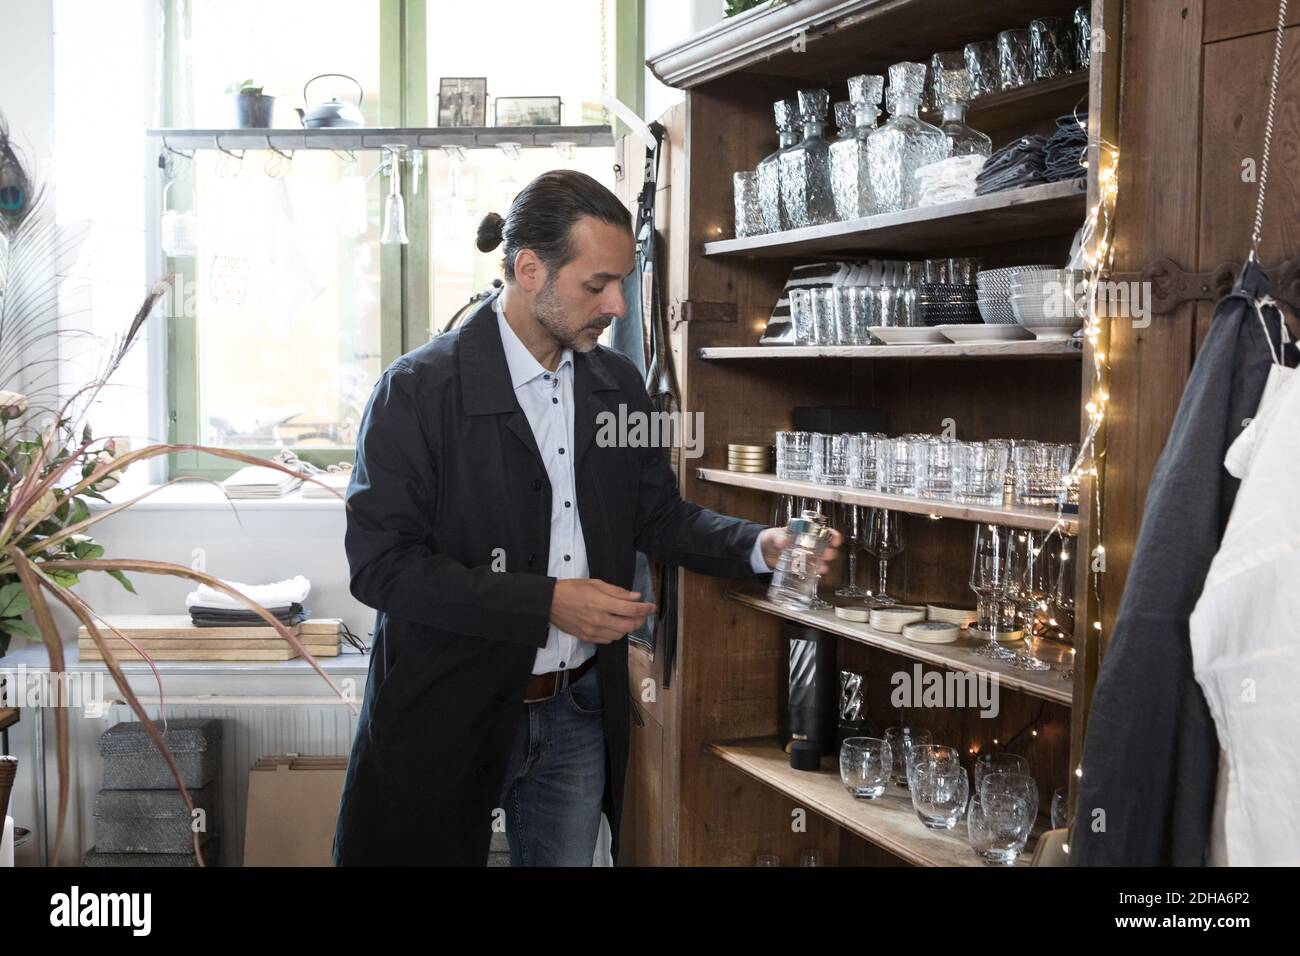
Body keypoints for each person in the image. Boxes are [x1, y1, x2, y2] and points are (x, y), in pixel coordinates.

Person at [333, 168, 840, 866]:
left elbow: (655, 515)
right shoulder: (418, 391)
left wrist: (763, 544)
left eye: (623, 283)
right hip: (447, 709)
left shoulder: (615, 385)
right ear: (529, 269)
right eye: (596, 285)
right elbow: (383, 569)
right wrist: (547, 602)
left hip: (575, 715)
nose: (620, 307)